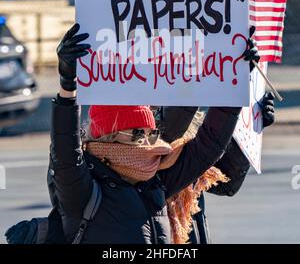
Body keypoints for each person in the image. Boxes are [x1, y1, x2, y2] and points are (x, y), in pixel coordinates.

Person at [48, 23, 260, 244]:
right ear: (109, 136)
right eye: (138, 133)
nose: (149, 144)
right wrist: (67, 83)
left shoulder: (154, 181)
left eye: (151, 134)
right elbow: (64, 146)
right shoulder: (81, 188)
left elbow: (210, 145)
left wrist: (235, 79)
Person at [155, 91, 275, 244]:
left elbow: (225, 181)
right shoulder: (130, 144)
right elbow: (166, 139)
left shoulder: (188, 130)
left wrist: (251, 126)